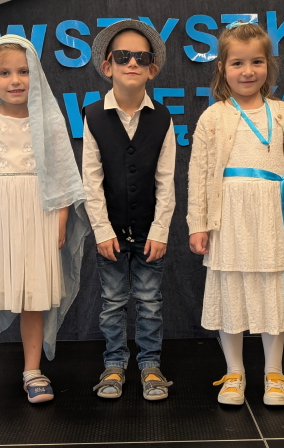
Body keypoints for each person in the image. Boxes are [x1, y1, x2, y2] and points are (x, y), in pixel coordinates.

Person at [187, 21, 284, 407]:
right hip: (228, 218)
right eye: (238, 63)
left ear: (268, 65)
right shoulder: (213, 117)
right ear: (222, 68)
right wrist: (198, 224)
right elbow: (198, 175)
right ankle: (234, 373)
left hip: (274, 216)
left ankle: (273, 374)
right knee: (231, 293)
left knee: (272, 294)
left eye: (256, 62)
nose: (247, 71)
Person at [0, 35, 90, 412]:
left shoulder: (48, 121)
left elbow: (62, 177)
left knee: (34, 298)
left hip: (37, 212)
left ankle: (33, 371)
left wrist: (61, 219)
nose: (15, 80)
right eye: (5, 73)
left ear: (36, 75)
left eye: (23, 72)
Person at [83, 20, 176, 400]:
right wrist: (102, 230)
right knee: (113, 303)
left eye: (141, 57)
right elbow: (90, 181)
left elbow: (166, 182)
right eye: (123, 56)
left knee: (150, 302)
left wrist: (160, 229)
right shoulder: (93, 116)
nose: (132, 62)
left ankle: (151, 364)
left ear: (152, 68)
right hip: (112, 233)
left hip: (150, 232)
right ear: (108, 66)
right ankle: (114, 364)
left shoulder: (163, 118)